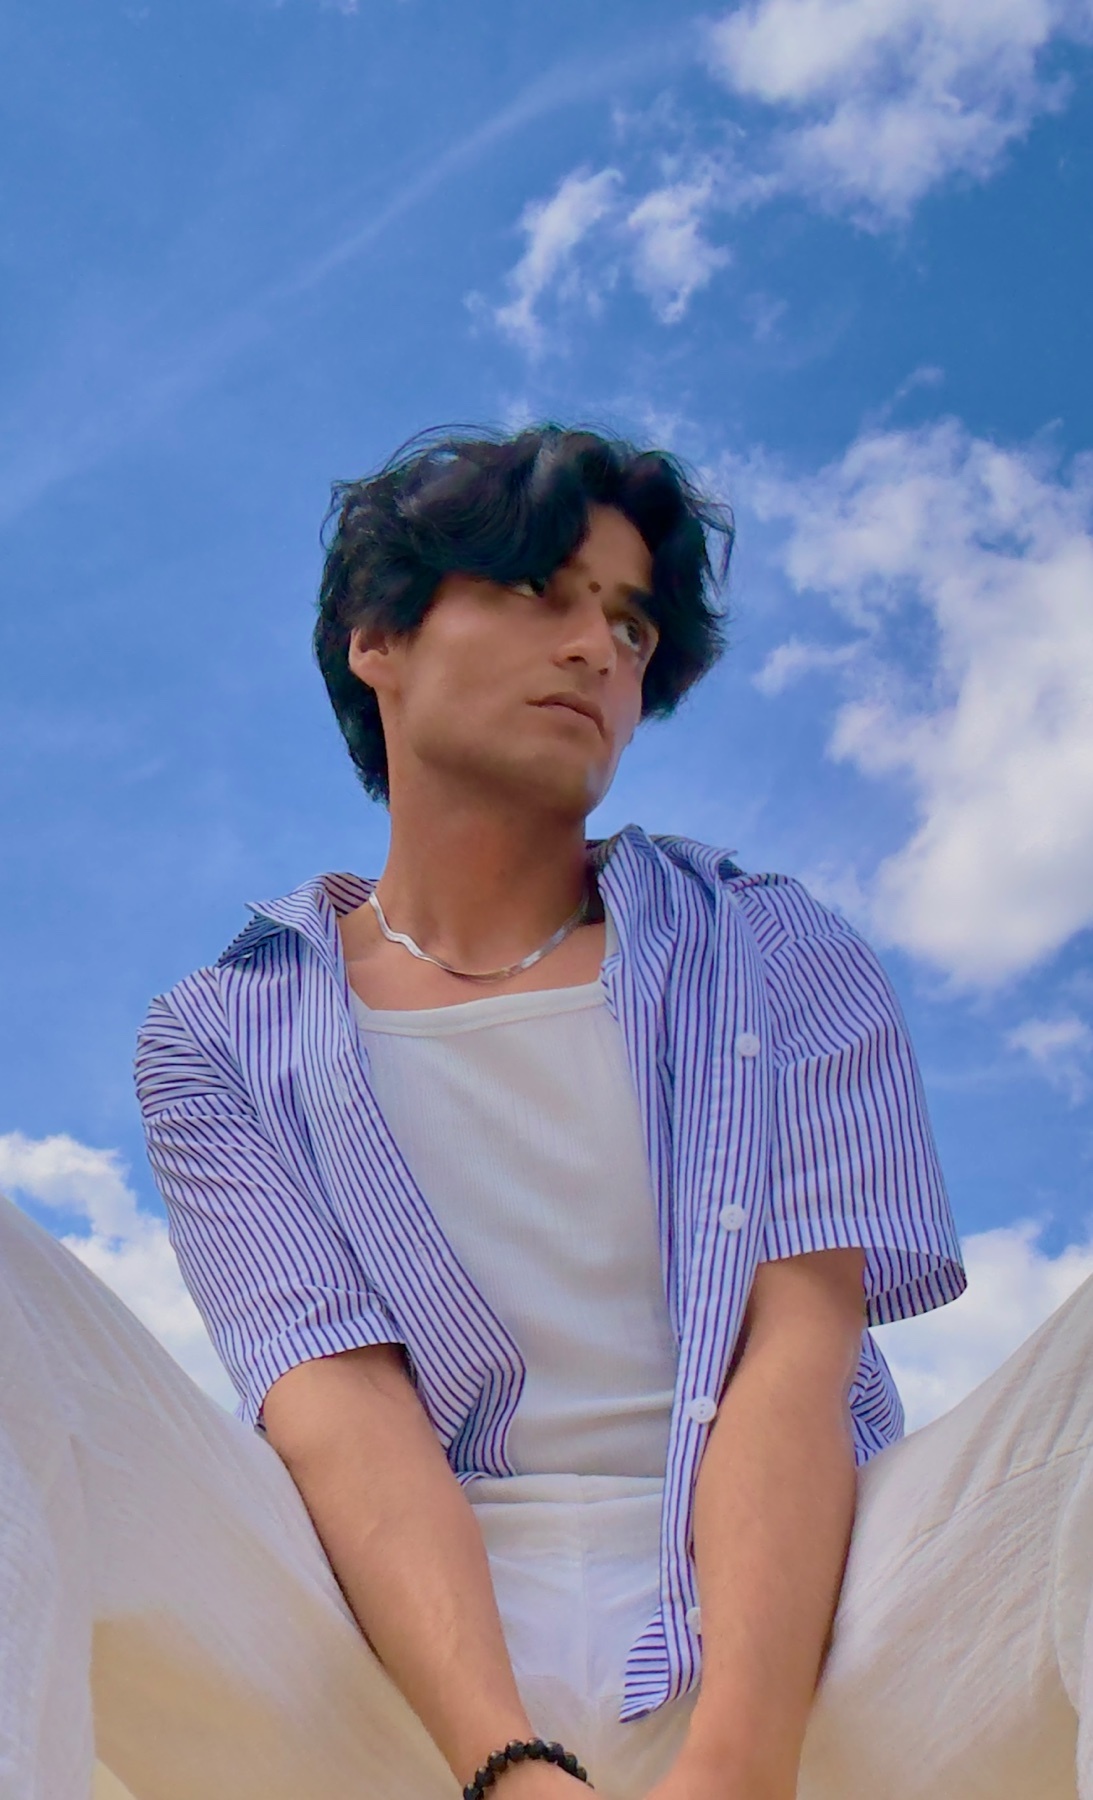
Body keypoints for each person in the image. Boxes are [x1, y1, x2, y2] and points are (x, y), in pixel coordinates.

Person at [2, 425, 1090, 1800]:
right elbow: (341, 1407)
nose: (596, 650)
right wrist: (506, 1766)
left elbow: (795, 1356)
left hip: (814, 1640)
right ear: (377, 641)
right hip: (378, 1665)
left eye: (631, 625)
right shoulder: (218, 1032)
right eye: (538, 592)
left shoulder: (769, 946)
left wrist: (739, 1762)